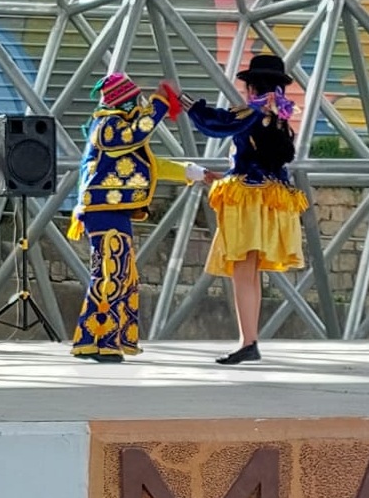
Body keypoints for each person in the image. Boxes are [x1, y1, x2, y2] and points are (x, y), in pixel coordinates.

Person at [67, 73, 204, 363]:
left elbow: (151, 165)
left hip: (114, 211)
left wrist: (193, 172)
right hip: (103, 212)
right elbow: (138, 132)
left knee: (117, 274)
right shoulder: (107, 126)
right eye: (135, 100)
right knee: (111, 273)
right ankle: (103, 341)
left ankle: (93, 340)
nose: (138, 105)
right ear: (124, 102)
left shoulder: (118, 133)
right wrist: (160, 102)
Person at [180, 53, 307, 365]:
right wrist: (218, 176)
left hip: (249, 201)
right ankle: (249, 340)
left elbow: (215, 123)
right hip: (272, 201)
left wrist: (183, 100)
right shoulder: (280, 119)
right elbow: (261, 162)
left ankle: (248, 341)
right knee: (250, 272)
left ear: (252, 87)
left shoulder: (252, 113)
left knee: (242, 270)